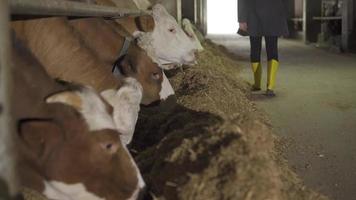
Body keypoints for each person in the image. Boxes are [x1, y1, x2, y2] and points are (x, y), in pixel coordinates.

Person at [238, 0, 289, 96]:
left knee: (260, 49)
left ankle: (264, 85)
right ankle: (265, 86)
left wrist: (242, 18)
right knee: (264, 49)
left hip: (262, 13)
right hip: (266, 13)